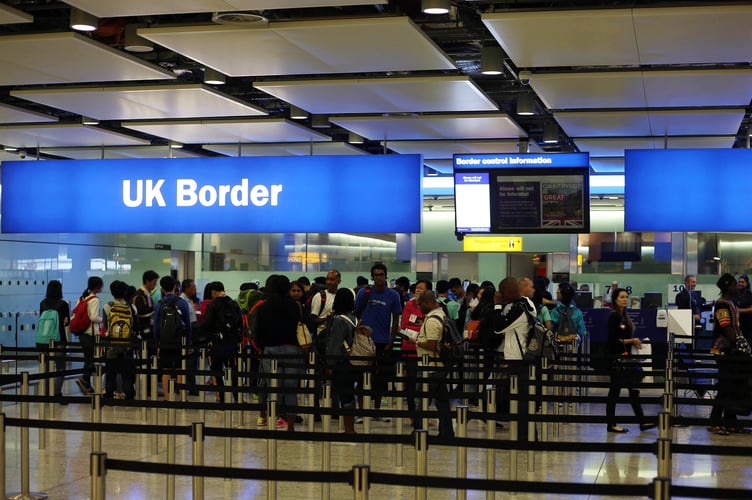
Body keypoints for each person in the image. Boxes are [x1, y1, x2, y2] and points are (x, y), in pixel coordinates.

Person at [255, 275, 304, 431]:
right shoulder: (294, 306)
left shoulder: (263, 307)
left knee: (272, 388)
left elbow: (258, 333)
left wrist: (265, 347)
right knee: (290, 389)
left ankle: (272, 422)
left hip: (271, 350)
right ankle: (290, 426)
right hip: (292, 350)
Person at [355, 263, 403, 420]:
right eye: (376, 275)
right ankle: (362, 411)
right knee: (362, 377)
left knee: (380, 378)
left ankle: (376, 411)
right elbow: (356, 312)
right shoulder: (364, 293)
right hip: (364, 341)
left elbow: (396, 319)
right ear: (372, 276)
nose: (379, 278)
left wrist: (392, 339)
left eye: (381, 274)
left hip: (383, 340)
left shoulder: (393, 296)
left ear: (386, 275)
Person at [605, 287, 656, 434]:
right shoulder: (614, 317)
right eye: (621, 297)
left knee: (633, 391)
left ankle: (642, 421)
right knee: (615, 392)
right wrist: (632, 340)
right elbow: (613, 340)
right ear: (615, 299)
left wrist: (633, 341)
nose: (625, 299)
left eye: (626, 297)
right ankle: (612, 424)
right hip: (618, 360)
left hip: (626, 359)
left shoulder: (623, 316)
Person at [708, 273, 752, 435]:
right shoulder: (722, 305)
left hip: (730, 350)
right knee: (725, 387)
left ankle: (731, 422)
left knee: (731, 386)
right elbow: (727, 328)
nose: (736, 287)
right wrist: (740, 344)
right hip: (723, 350)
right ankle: (714, 422)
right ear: (727, 286)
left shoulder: (730, 303)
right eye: (734, 284)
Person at [415, 290, 455, 438]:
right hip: (439, 367)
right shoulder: (442, 315)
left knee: (421, 402)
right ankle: (447, 432)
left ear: (428, 303)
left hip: (430, 368)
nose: (419, 307)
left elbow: (432, 345)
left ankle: (418, 432)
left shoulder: (432, 320)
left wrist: (416, 341)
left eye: (420, 304)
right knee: (443, 403)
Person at [324, 288, 360, 434]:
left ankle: (349, 429)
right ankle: (349, 427)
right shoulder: (354, 318)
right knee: (349, 394)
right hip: (353, 361)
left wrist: (329, 364)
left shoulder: (338, 320)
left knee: (345, 396)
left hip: (341, 362)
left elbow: (335, 343)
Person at [400, 279, 432, 430]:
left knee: (426, 385)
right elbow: (405, 326)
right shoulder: (409, 305)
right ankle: (413, 415)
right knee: (412, 385)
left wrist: (419, 325)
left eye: (421, 289)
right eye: (417, 288)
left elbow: (431, 327)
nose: (418, 291)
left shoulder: (433, 306)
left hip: (426, 351)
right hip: (410, 350)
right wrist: (422, 325)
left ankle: (423, 414)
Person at [153, 276, 192, 401]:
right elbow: (188, 324)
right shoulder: (182, 302)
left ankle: (167, 397)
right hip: (179, 341)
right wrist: (188, 341)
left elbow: (156, 326)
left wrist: (157, 343)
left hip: (164, 341)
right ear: (175, 287)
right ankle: (182, 397)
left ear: (162, 289)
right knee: (180, 368)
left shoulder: (160, 304)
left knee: (166, 369)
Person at [203, 281, 242, 402]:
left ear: (214, 292)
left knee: (217, 371)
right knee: (233, 370)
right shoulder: (234, 304)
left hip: (217, 343)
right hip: (231, 343)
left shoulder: (213, 305)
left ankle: (222, 398)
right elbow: (239, 323)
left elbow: (208, 324)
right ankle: (237, 397)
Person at [102, 280, 136, 401]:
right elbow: (134, 325)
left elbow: (106, 325)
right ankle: (129, 394)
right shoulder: (131, 306)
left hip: (112, 343)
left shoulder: (107, 306)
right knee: (127, 372)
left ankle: (109, 394)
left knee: (111, 371)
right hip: (127, 344)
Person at [38, 280, 70, 403]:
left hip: (43, 341)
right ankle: (56, 392)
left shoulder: (42, 303)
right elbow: (67, 322)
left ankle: (46, 393)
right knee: (60, 367)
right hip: (59, 339)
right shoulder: (63, 304)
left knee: (46, 367)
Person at [74, 276, 103, 396]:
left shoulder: (82, 298)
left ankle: (87, 385)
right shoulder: (94, 299)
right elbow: (93, 317)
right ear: (97, 287)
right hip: (91, 333)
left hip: (82, 333)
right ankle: (85, 378)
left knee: (88, 359)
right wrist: (104, 320)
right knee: (94, 359)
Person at [734, 274, 752, 345]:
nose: (740, 284)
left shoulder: (750, 295)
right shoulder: (734, 294)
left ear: (747, 284)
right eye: (739, 282)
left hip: (748, 325)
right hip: (736, 326)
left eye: (742, 282)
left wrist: (738, 310)